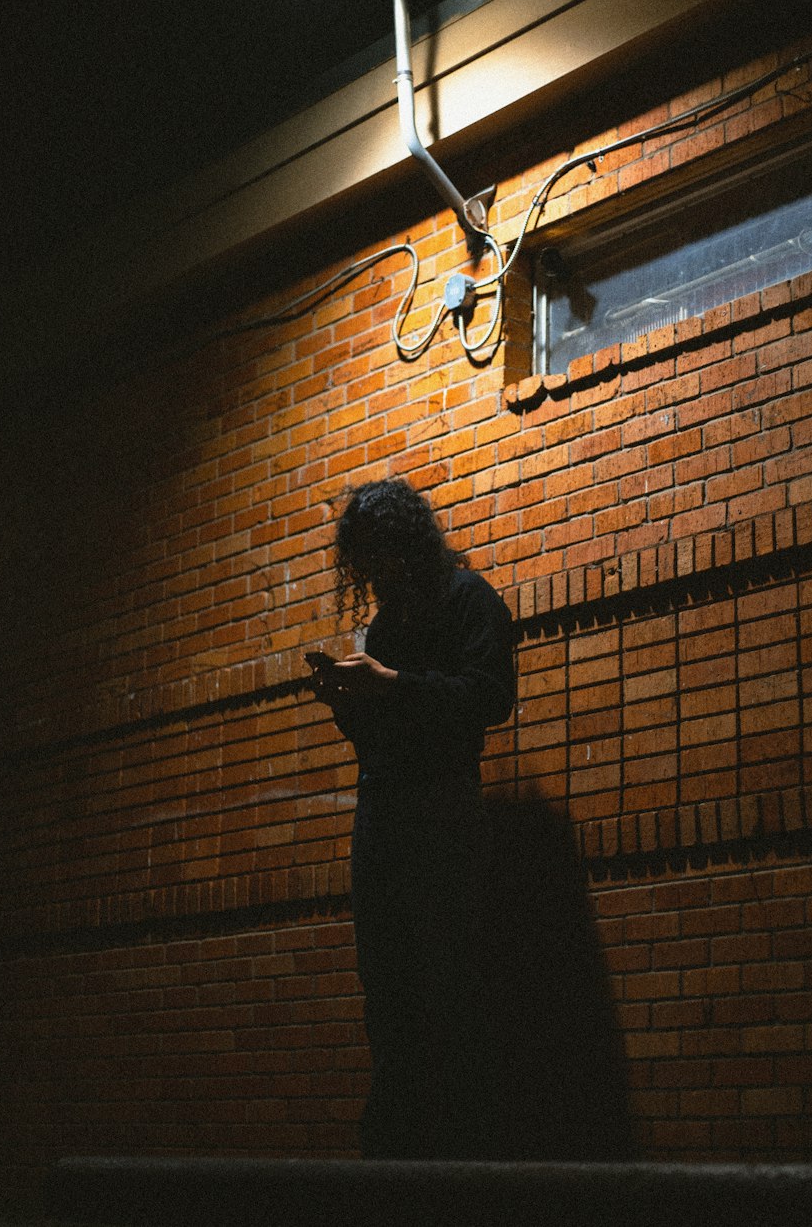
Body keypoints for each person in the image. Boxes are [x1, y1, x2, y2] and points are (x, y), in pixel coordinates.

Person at [308, 478, 515, 1159]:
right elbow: (380, 736)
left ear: (407, 541)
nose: (376, 571)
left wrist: (392, 683)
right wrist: (346, 703)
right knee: (387, 982)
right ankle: (398, 1141)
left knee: (445, 977)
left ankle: (455, 1143)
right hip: (383, 810)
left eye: (382, 553)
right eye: (365, 559)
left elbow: (489, 696)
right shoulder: (386, 623)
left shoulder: (466, 598)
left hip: (439, 808)